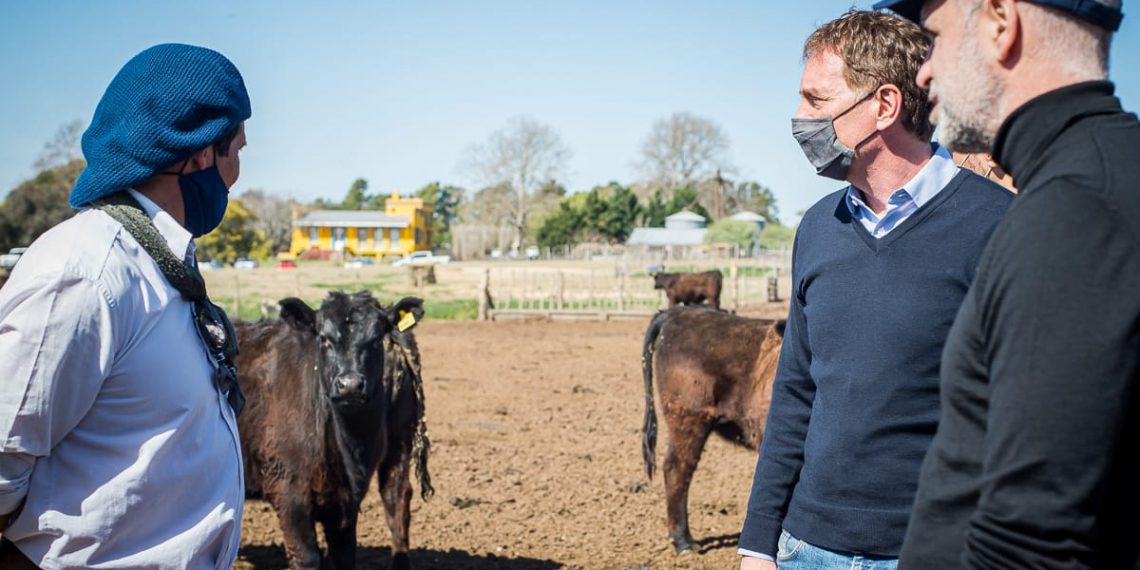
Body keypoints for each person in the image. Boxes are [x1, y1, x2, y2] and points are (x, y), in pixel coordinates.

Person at [738, 10, 1014, 570]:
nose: (799, 119)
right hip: (806, 548)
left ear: (884, 106)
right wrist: (759, 541)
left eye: (816, 102)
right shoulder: (817, 228)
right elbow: (795, 391)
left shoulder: (1000, 225)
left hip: (933, 550)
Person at [872, 0, 1140, 567]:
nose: (924, 71)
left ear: (1000, 20)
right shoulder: (1098, 178)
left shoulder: (1075, 211)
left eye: (936, 37)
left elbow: (1035, 540)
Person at [0, 43, 250, 569]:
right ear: (201, 155)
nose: (237, 173)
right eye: (237, 151)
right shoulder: (87, 275)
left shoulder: (157, 264)